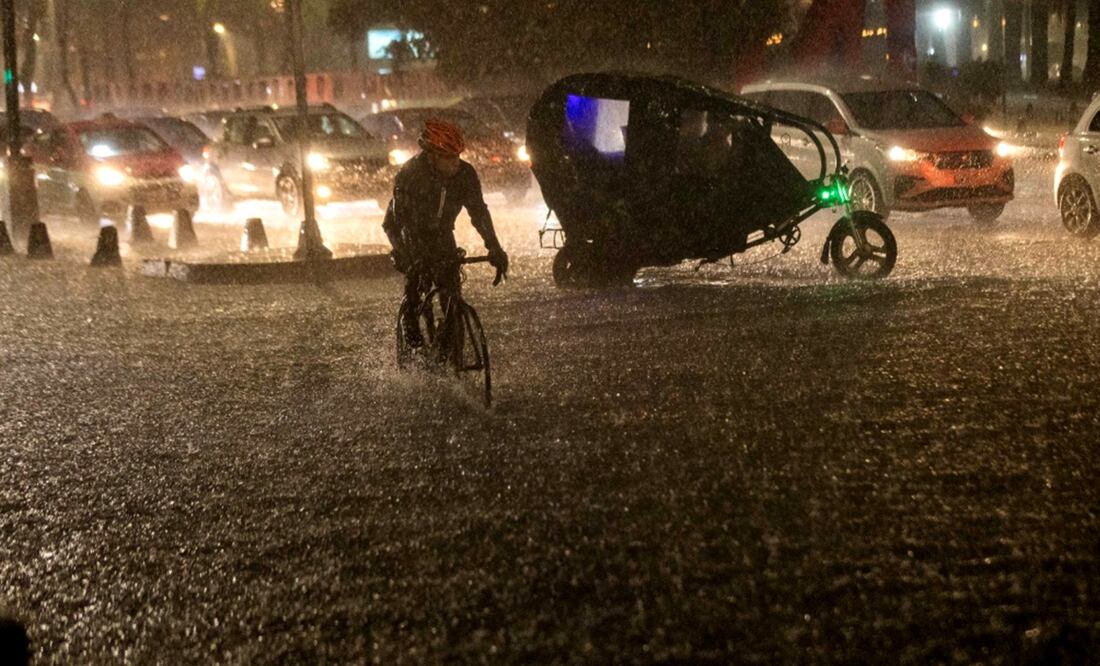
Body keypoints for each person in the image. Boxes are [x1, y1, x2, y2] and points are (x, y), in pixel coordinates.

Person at [382, 119, 509, 347]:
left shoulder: (465, 174)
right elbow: (403, 221)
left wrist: (495, 247)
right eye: (448, 157)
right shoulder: (411, 174)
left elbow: (478, 212)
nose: (455, 162)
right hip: (404, 228)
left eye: (457, 156)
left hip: (441, 231)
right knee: (417, 275)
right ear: (431, 156)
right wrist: (417, 259)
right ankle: (410, 322)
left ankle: (449, 345)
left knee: (450, 287)